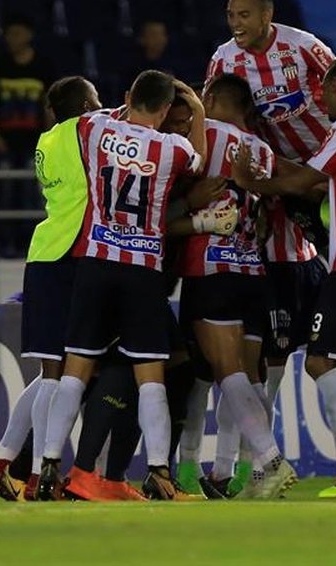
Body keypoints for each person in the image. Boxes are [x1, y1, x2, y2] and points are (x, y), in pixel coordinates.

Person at [232, 56, 336, 498]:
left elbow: (304, 181)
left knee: (319, 360)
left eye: (324, 91)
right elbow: (314, 182)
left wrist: (251, 181)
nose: (320, 100)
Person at [36, 71, 210, 501]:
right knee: (150, 376)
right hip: (142, 271)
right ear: (168, 110)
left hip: (96, 264)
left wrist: (128, 104)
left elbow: (103, 116)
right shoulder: (172, 148)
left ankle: (49, 467)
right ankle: (158, 471)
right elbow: (200, 161)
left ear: (129, 96)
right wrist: (200, 112)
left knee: (75, 369)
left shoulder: (94, 129)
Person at [205, 0, 336, 452]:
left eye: (244, 15)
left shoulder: (305, 49)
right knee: (267, 339)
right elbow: (213, 116)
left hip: (324, 175)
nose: (236, 24)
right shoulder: (224, 60)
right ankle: (247, 457)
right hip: (270, 181)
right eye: (230, 15)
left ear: (267, 16)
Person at [0, 76, 104, 501]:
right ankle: (36, 478)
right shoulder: (87, 129)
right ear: (86, 105)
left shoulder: (47, 141)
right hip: (67, 255)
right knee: (58, 374)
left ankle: (1, 463)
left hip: (46, 254)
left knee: (54, 373)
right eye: (96, 100)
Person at [178, 72, 298, 499]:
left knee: (222, 373)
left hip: (213, 266)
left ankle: (270, 459)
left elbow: (183, 168)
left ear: (211, 97)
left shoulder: (205, 132)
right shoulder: (263, 151)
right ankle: (253, 470)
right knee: (246, 378)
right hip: (254, 271)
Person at [0, 13, 57, 255]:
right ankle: (3, 241)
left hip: (33, 139)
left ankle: (28, 243)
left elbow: (50, 104)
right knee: (5, 192)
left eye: (18, 33)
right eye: (9, 34)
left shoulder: (43, 65)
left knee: (32, 193)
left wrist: (48, 136)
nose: (13, 39)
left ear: (29, 35)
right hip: (4, 139)